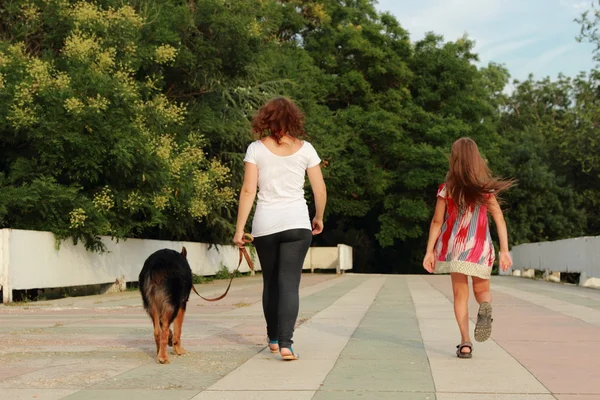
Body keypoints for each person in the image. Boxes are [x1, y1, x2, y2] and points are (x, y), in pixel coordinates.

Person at [232, 97, 326, 361]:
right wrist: (318, 217)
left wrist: (240, 229)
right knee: (288, 285)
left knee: (270, 283)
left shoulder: (255, 149)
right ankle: (286, 344)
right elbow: (319, 188)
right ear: (294, 119)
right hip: (297, 223)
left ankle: (273, 338)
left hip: (266, 225)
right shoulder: (306, 149)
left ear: (267, 119)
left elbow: (249, 190)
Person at [423, 137, 514, 359]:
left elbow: (437, 222)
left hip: (457, 247)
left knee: (459, 295)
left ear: (454, 159)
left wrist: (429, 251)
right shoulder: (485, 190)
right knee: (482, 291)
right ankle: (485, 307)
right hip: (480, 248)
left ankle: (465, 343)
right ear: (476, 160)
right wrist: (504, 250)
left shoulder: (447, 189)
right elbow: (499, 218)